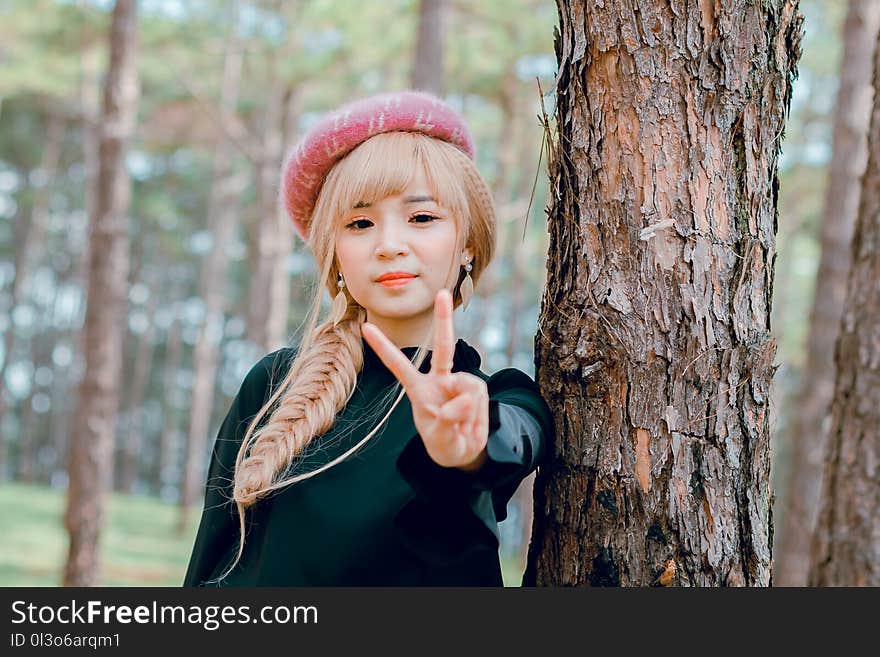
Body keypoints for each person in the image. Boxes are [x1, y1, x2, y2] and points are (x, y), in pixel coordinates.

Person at [182, 90, 555, 587]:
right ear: (334, 253)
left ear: (467, 243)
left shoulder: (502, 396)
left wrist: (463, 448)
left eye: (421, 218)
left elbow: (515, 436)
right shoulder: (273, 383)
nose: (389, 245)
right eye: (360, 223)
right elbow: (207, 564)